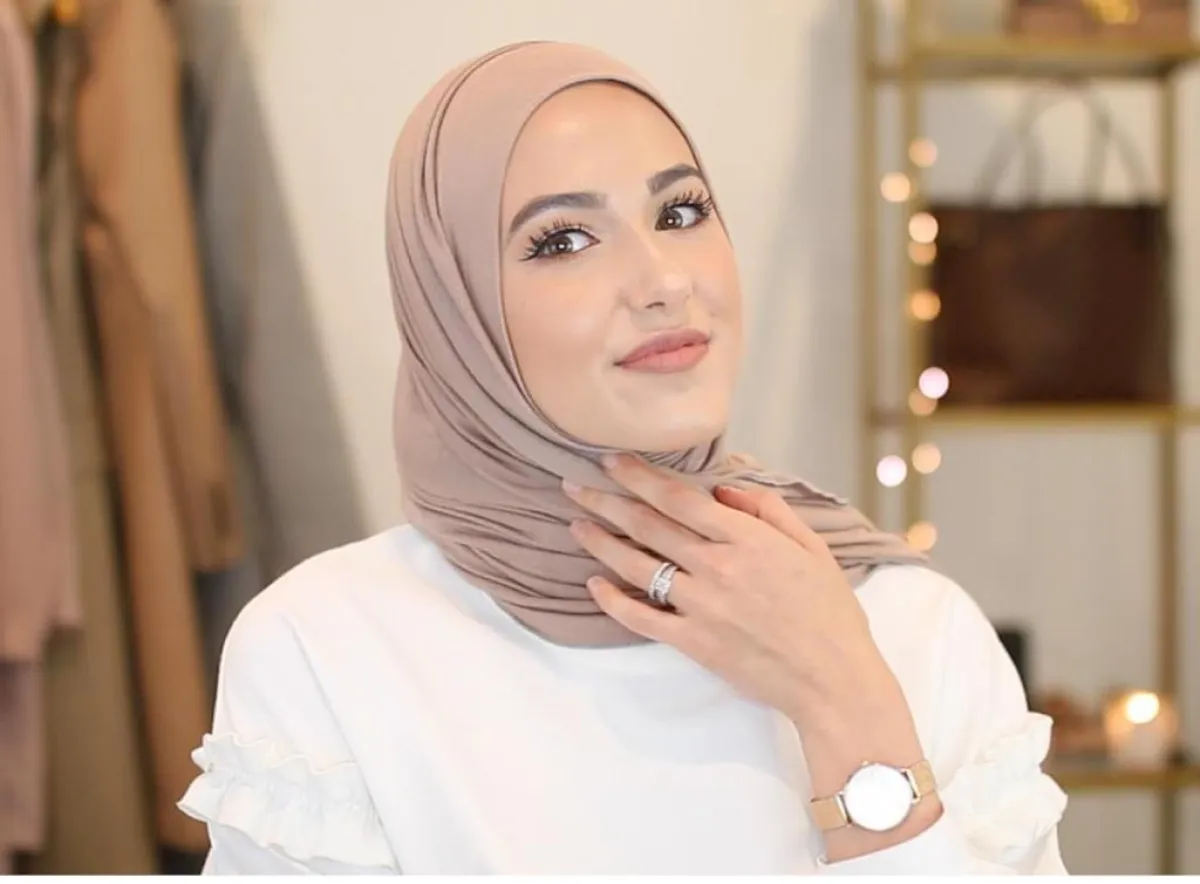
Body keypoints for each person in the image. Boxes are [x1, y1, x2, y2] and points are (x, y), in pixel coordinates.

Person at [178, 41, 1069, 875]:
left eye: (681, 213)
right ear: (454, 307)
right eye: (562, 240)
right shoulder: (327, 651)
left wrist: (844, 701)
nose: (664, 281)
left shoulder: (912, 628)